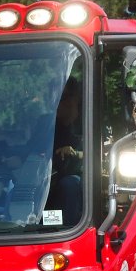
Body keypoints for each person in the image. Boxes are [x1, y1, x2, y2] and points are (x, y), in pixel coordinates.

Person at [52, 77, 83, 226]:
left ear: (74, 99)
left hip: (80, 177)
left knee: (70, 185)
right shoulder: (48, 124)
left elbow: (98, 156)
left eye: (60, 97)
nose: (55, 103)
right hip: (48, 176)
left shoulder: (88, 123)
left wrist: (74, 153)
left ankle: (67, 229)